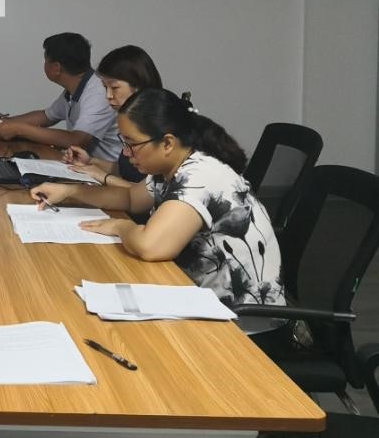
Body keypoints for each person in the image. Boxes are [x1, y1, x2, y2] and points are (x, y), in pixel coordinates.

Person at [32, 88, 283, 310]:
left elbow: (151, 246)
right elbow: (131, 198)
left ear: (167, 143)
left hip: (244, 322)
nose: (125, 153)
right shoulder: (170, 168)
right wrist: (70, 192)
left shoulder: (200, 175)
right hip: (199, 299)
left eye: (132, 143)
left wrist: (121, 226)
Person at [0, 32, 122, 161]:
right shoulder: (75, 89)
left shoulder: (99, 92)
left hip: (106, 171)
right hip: (84, 165)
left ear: (57, 67)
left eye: (45, 60)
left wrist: (19, 129)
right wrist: (6, 122)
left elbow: (77, 140)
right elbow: (47, 116)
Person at [63, 44, 163, 185]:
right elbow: (129, 173)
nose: (108, 96)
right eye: (105, 88)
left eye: (114, 87)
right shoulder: (130, 120)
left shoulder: (158, 125)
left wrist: (103, 176)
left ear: (138, 86)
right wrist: (90, 161)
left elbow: (149, 192)